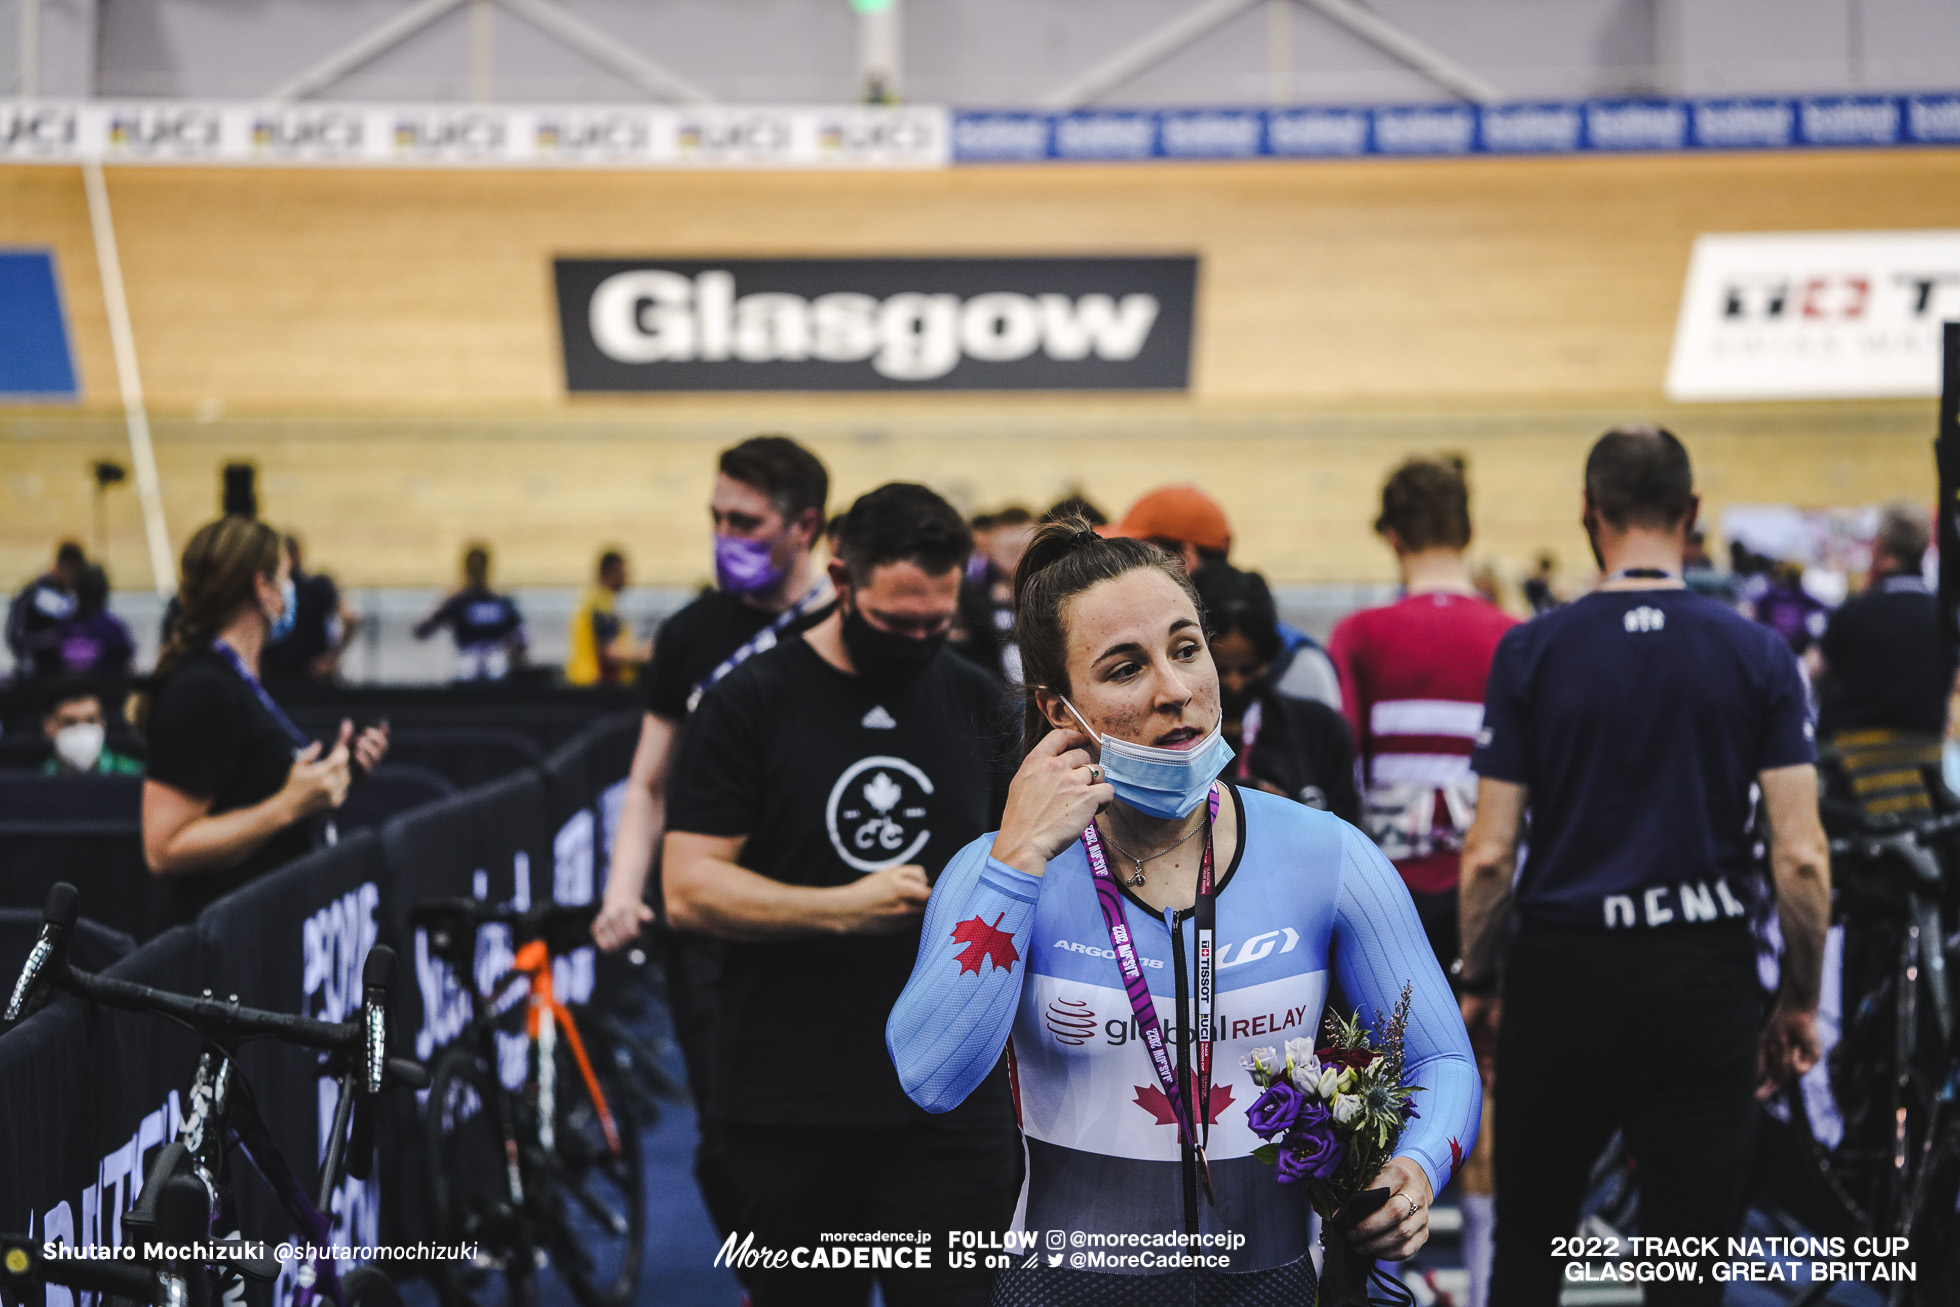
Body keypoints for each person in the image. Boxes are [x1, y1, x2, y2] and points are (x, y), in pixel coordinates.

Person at [887, 519, 1479, 1303]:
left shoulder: (1328, 856)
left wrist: (1416, 1166)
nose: (1175, 688)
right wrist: (1019, 864)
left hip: (1278, 1286)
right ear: (1059, 710)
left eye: (1187, 647)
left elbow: (1443, 1061)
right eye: (1126, 667)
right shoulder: (995, 871)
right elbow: (931, 1076)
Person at [1458, 425, 1830, 1306]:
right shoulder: (1758, 652)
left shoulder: (1532, 649)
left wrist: (1480, 979)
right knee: (1689, 1270)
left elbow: (1487, 856)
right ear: (1692, 514)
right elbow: (1803, 857)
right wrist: (1800, 1000)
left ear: (1589, 515)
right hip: (1703, 976)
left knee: (1530, 1251)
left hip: (1564, 968)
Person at [663, 482, 1022, 1307]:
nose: (921, 639)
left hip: (950, 1111)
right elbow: (688, 887)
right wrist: (841, 908)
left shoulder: (975, 700)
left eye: (938, 620)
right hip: (788, 1104)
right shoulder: (749, 701)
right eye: (899, 622)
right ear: (839, 577)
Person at [591, 433, 834, 1243]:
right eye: (716, 517)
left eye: (746, 521)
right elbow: (649, 781)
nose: (725, 536)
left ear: (805, 526)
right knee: (728, 1134)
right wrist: (623, 889)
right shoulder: (691, 633)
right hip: (708, 924)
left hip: (831, 912)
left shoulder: (850, 623)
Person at [137, 516, 390, 926]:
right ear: (262, 587)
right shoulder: (203, 687)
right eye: (286, 578)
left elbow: (246, 789)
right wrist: (286, 807)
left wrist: (334, 775)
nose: (292, 593)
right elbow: (165, 848)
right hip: (216, 949)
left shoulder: (238, 677)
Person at [1325, 457, 1517, 970]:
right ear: (1469, 531)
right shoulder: (1514, 637)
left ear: (1392, 536)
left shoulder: (1359, 634)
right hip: (1490, 894)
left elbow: (1344, 763)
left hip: (1386, 895)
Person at [1103, 484, 1344, 710]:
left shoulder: (1296, 665)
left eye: (1138, 555)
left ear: (1182, 558)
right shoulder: (1300, 657)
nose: (1125, 568)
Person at [1191, 562, 1360, 823]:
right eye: (1220, 671)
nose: (1235, 684)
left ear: (1271, 659)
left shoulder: (1322, 730)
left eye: (1248, 670)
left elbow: (1348, 838)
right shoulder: (1169, 740)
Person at [413, 543, 528, 681]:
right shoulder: (498, 602)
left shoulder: (464, 601)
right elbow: (421, 631)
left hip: (484, 667)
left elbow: (422, 630)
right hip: (476, 668)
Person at [262, 535, 359, 687]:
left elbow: (351, 618)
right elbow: (351, 618)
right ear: (298, 554)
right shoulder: (318, 586)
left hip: (278, 677)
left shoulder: (268, 589)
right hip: (311, 678)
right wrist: (333, 657)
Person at [7, 541, 86, 682]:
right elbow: (15, 635)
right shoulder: (34, 593)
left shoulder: (68, 594)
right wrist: (52, 640)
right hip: (36, 674)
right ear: (65, 567)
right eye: (75, 573)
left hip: (59, 673)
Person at [564, 549, 645, 686]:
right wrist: (642, 655)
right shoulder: (601, 606)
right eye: (623, 574)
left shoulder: (593, 602)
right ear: (612, 574)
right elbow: (610, 653)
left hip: (588, 683)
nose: (627, 580)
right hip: (597, 686)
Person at [40, 676, 144, 776]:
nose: (82, 731)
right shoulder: (36, 781)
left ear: (103, 723)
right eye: (70, 723)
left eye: (90, 720)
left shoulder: (136, 775)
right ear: (49, 727)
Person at [54, 564, 136, 684]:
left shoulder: (62, 628)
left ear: (77, 591)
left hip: (68, 697)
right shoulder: (112, 629)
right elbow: (129, 669)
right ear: (104, 592)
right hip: (105, 699)